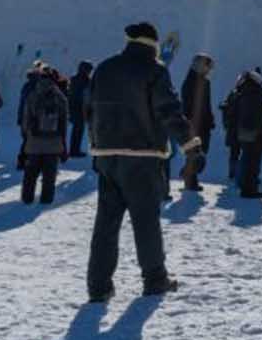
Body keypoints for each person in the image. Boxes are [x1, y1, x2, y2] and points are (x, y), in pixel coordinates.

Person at [84, 22, 201, 302]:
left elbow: (89, 112)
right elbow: (168, 110)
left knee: (106, 224)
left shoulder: (104, 68)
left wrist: (98, 147)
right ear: (153, 44)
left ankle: (98, 287)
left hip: (107, 157)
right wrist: (189, 145)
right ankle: (155, 279)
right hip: (142, 157)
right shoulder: (154, 70)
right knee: (146, 221)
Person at [20, 64, 68, 205]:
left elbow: (26, 120)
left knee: (30, 174)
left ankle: (27, 198)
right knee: (49, 175)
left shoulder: (32, 95)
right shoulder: (60, 98)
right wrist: (63, 143)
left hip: (34, 142)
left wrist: (26, 136)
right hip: (53, 143)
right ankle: (46, 199)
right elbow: (63, 123)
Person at [231, 68, 262, 198]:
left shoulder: (244, 92)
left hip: (245, 130)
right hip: (254, 131)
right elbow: (257, 113)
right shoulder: (254, 93)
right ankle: (250, 188)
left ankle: (246, 185)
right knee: (253, 160)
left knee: (247, 158)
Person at [178, 54, 216, 191]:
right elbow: (189, 104)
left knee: (200, 150)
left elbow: (207, 104)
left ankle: (189, 177)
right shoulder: (191, 82)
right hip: (195, 123)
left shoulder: (203, 81)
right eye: (207, 67)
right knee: (195, 151)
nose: (208, 70)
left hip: (202, 122)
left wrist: (210, 118)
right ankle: (189, 178)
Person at [68, 61, 93, 157]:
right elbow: (85, 95)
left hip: (74, 107)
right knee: (78, 130)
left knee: (77, 130)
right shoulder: (85, 81)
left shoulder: (74, 79)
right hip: (80, 108)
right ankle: (74, 151)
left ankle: (74, 149)